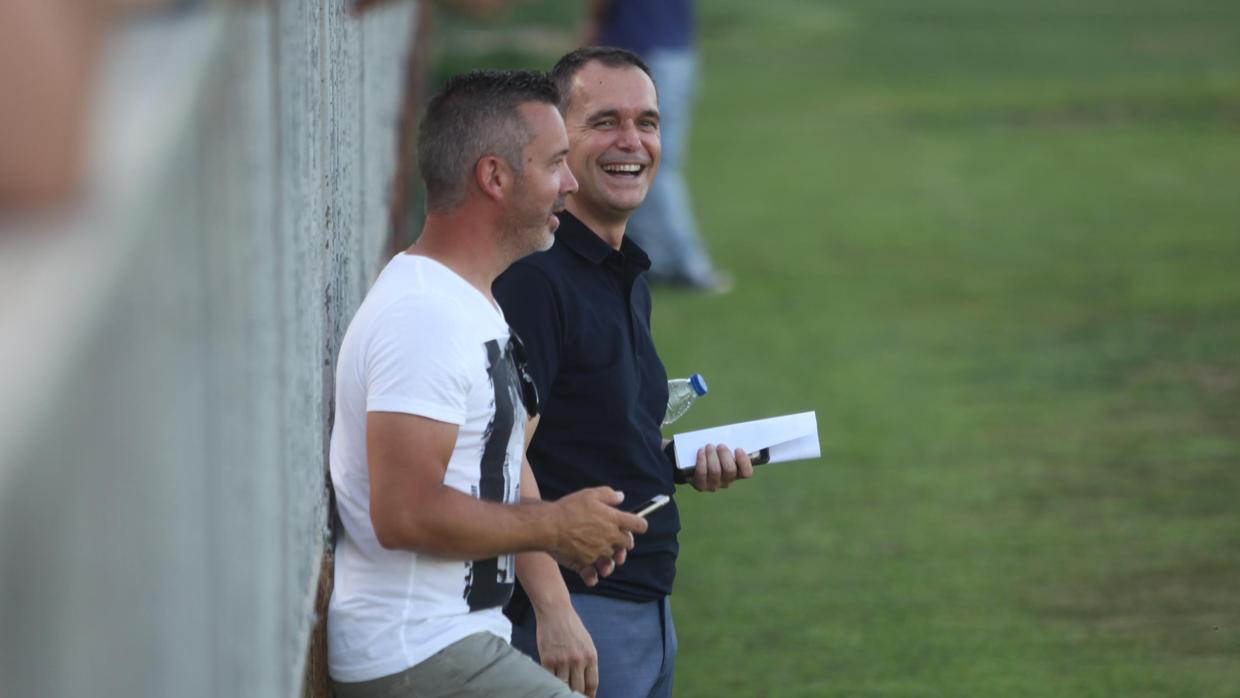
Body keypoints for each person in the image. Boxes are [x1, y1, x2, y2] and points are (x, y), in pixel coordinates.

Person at [327, 69, 649, 698]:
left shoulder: (471, 300)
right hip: (414, 653)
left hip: (460, 640)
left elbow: (497, 460)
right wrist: (552, 526)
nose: (570, 182)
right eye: (554, 163)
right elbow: (404, 513)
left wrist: (563, 550)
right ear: (495, 177)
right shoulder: (423, 315)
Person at [494, 48, 754, 698]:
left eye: (648, 122)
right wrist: (554, 610)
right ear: (558, 140)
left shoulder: (625, 273)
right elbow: (500, 457)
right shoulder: (537, 279)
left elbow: (585, 435)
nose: (631, 141)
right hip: (580, 616)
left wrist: (677, 462)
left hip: (647, 607)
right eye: (605, 121)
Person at [585, 0, 729, 292]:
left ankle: (688, 262)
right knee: (636, 161)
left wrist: (589, 34)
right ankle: (655, 260)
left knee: (649, 164)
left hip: (639, 53)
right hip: (676, 53)